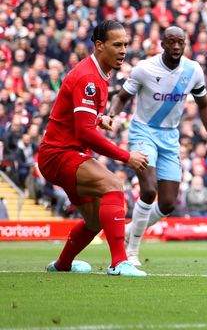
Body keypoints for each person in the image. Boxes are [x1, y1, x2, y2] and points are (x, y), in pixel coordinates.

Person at [38, 20, 149, 277]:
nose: (123, 50)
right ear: (99, 45)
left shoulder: (98, 72)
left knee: (94, 220)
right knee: (113, 186)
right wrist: (126, 157)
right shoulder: (89, 77)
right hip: (59, 155)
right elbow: (84, 132)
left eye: (125, 45)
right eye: (117, 45)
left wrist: (100, 119)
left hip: (66, 154)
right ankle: (119, 263)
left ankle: (62, 264)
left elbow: (78, 118)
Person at [110, 26, 207, 266]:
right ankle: (132, 252)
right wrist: (111, 115)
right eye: (172, 42)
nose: (177, 47)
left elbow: (203, 105)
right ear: (163, 44)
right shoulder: (144, 69)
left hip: (170, 137)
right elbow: (122, 97)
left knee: (168, 203)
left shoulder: (193, 70)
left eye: (181, 42)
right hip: (143, 132)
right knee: (148, 190)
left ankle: (130, 231)